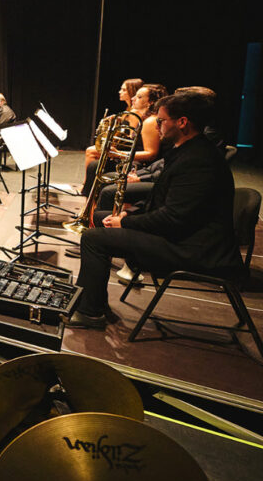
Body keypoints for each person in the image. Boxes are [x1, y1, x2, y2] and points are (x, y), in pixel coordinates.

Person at [68, 93, 244, 329]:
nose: (157, 126)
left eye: (161, 121)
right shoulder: (187, 151)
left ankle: (90, 314)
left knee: (93, 238)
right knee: (98, 218)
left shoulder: (199, 160)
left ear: (182, 122)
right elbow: (164, 203)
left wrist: (127, 223)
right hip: (185, 235)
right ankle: (94, 299)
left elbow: (173, 218)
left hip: (194, 248)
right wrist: (128, 216)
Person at [80, 84, 167, 197]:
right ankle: (91, 206)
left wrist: (118, 154)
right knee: (94, 165)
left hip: (139, 166)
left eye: (139, 97)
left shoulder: (150, 122)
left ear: (150, 102)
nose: (133, 99)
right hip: (133, 161)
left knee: (95, 166)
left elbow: (151, 154)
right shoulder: (144, 118)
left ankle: (94, 206)